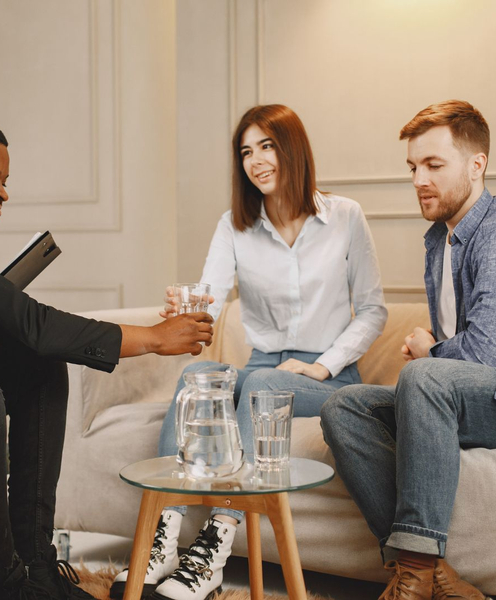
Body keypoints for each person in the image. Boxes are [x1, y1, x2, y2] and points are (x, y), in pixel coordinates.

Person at [0, 113, 214, 600]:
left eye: (4, 180)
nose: (2, 191)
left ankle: (34, 564)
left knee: (34, 365)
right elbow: (31, 322)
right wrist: (152, 337)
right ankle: (4, 587)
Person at [111, 104, 387, 600]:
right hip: (266, 366)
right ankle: (163, 537)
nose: (256, 160)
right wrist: (187, 306)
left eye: (267, 146)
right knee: (201, 377)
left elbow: (372, 310)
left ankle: (216, 546)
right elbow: (210, 300)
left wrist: (322, 365)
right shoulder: (234, 225)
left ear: (292, 150)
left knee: (259, 386)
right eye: (246, 151)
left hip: (332, 377)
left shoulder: (345, 216)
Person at [320, 100, 496, 600]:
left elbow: (486, 354)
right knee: (345, 407)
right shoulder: (439, 240)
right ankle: (433, 573)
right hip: (465, 398)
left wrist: (432, 351)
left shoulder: (494, 233)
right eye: (413, 167)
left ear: (476, 164)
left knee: (422, 376)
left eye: (434, 165)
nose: (419, 178)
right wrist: (435, 358)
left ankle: (412, 580)